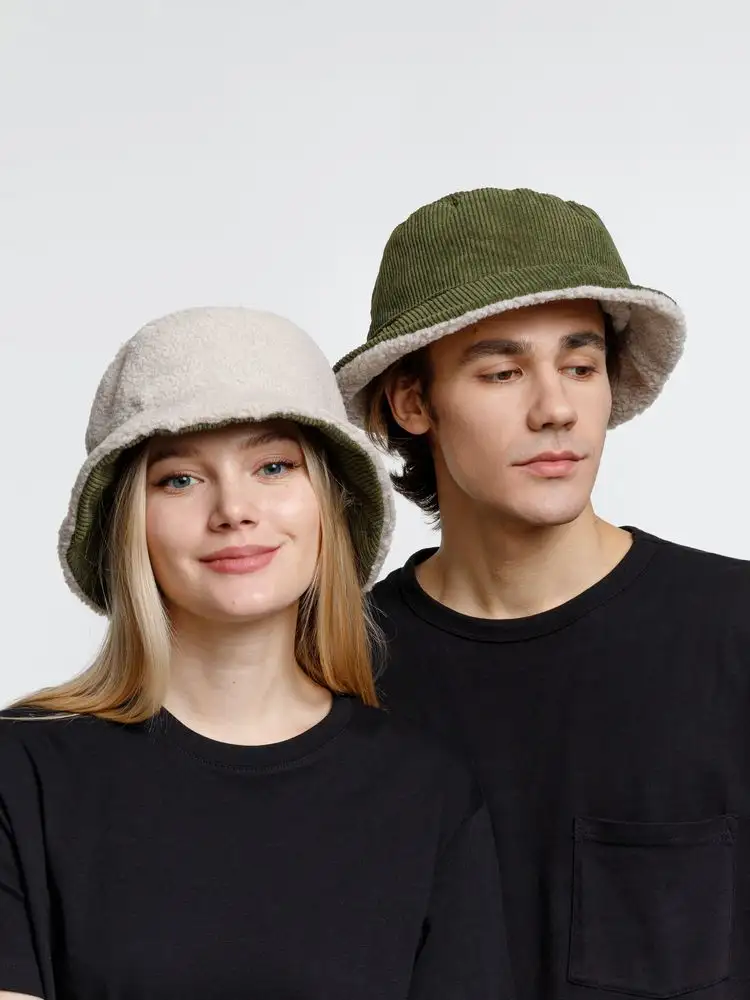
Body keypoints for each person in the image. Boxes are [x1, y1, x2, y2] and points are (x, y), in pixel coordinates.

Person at [0, 306, 511, 1000]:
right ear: (129, 523)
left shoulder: (428, 794)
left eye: (273, 466)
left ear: (327, 503)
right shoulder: (22, 773)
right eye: (179, 479)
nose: (234, 510)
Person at [334, 187, 750, 1000]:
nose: (556, 409)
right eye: (502, 372)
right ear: (413, 402)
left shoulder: (733, 631)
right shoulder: (336, 666)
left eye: (581, 366)